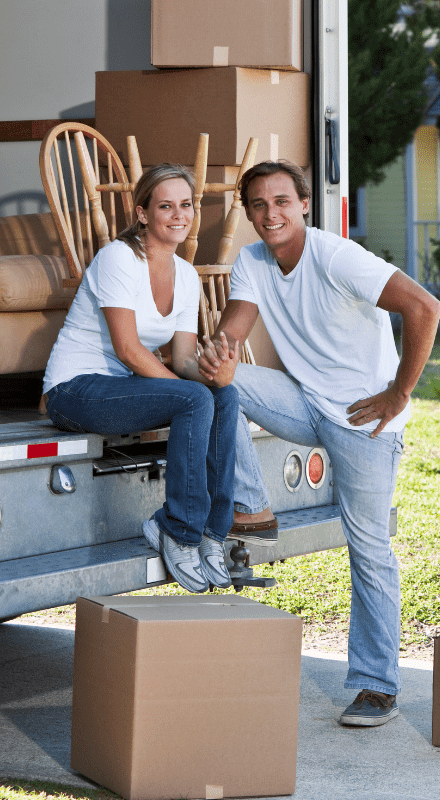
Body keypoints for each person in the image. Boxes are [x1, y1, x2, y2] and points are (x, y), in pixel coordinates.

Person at [198, 160, 440, 727]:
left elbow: (425, 306)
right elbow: (233, 331)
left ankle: (377, 687)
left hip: (363, 420)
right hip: (305, 402)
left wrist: (398, 393)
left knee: (369, 548)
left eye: (281, 201)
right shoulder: (253, 261)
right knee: (211, 385)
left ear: (304, 204)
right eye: (257, 205)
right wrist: (217, 354)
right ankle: (252, 507)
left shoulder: (335, 256)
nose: (269, 214)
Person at [43, 164, 241, 594]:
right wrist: (189, 390)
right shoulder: (119, 257)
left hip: (124, 390)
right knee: (195, 399)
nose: (178, 214)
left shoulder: (186, 276)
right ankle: (179, 531)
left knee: (224, 396)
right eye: (165, 205)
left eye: (186, 205)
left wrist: (212, 373)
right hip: (75, 390)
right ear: (143, 213)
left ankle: (212, 532)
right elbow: (129, 350)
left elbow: (185, 359)